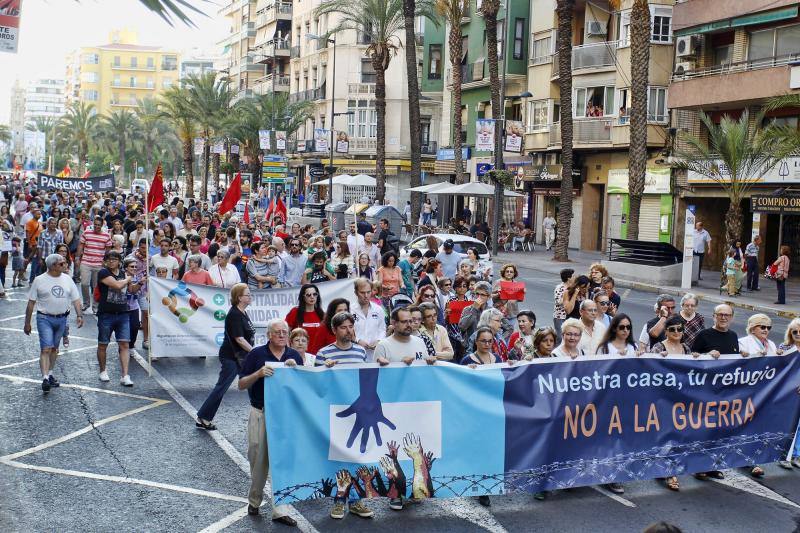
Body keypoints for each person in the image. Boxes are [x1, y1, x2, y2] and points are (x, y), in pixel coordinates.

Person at [237, 318, 301, 526]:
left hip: (284, 415)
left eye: (285, 332)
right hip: (260, 412)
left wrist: (295, 372)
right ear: (269, 335)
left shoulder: (293, 356)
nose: (282, 335)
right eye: (278, 332)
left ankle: (280, 510)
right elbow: (241, 384)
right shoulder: (256, 354)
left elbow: (302, 387)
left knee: (280, 461)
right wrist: (258, 373)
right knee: (257, 458)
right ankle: (254, 499)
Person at [194, 283, 254, 430]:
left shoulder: (242, 313)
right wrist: (255, 352)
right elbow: (239, 339)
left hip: (241, 357)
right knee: (222, 387)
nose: (250, 296)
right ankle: (203, 416)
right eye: (247, 294)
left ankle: (262, 415)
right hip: (232, 357)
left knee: (253, 384)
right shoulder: (234, 315)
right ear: (239, 298)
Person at [23, 253, 84, 393]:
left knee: (54, 349)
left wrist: (79, 315)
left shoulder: (68, 279)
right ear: (53, 266)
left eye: (65, 262)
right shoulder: (39, 280)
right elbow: (31, 303)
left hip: (62, 318)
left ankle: (50, 374)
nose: (66, 265)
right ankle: (44, 378)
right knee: (46, 348)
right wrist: (27, 323)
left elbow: (76, 299)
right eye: (62, 263)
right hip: (44, 318)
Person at [96, 250, 140, 387]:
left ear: (119, 261)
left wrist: (141, 283)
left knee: (125, 344)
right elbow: (117, 285)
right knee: (103, 344)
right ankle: (103, 371)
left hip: (123, 313)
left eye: (114, 259)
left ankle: (125, 375)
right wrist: (128, 279)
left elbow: (130, 290)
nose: (111, 261)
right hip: (106, 314)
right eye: (108, 259)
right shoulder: (103, 273)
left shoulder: (123, 274)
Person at [75, 215, 113, 315]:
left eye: (98, 225)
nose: (96, 227)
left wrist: (106, 263)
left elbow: (108, 250)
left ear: (102, 225)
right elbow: (80, 245)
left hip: (99, 264)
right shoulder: (86, 233)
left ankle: (95, 306)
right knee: (84, 284)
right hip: (86, 262)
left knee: (96, 286)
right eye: (95, 225)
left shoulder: (106, 236)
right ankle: (86, 303)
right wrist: (78, 258)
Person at [778, 319, 800, 470]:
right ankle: (783, 454)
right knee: (787, 423)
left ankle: (797, 455)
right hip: (787, 392)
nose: (798, 334)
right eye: (795, 331)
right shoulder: (784, 347)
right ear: (790, 332)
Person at [285, 284, 328, 354]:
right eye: (308, 295)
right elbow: (285, 332)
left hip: (317, 356)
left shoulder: (322, 314)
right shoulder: (295, 312)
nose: (312, 297)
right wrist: (288, 350)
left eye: (315, 294)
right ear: (303, 297)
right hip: (298, 355)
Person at [352, 278, 386, 361]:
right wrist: (358, 340)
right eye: (362, 292)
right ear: (356, 292)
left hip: (375, 354)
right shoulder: (350, 310)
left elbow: (382, 329)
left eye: (368, 292)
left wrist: (379, 340)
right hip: (355, 353)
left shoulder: (378, 309)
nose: (366, 295)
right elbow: (347, 331)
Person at [553, 268, 574, 335]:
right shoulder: (560, 288)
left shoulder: (572, 287)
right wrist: (567, 296)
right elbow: (558, 301)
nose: (574, 278)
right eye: (573, 276)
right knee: (560, 337)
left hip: (569, 316)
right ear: (568, 278)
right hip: (560, 316)